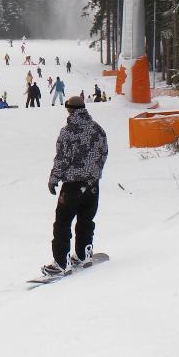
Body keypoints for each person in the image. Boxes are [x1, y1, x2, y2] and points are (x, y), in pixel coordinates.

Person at [41, 96, 108, 276]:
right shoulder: (97, 129)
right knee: (86, 220)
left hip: (72, 185)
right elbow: (103, 153)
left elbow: (62, 159)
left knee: (62, 223)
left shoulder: (68, 132)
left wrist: (54, 178)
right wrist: (95, 173)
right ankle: (83, 254)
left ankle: (62, 263)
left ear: (69, 110)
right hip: (92, 185)